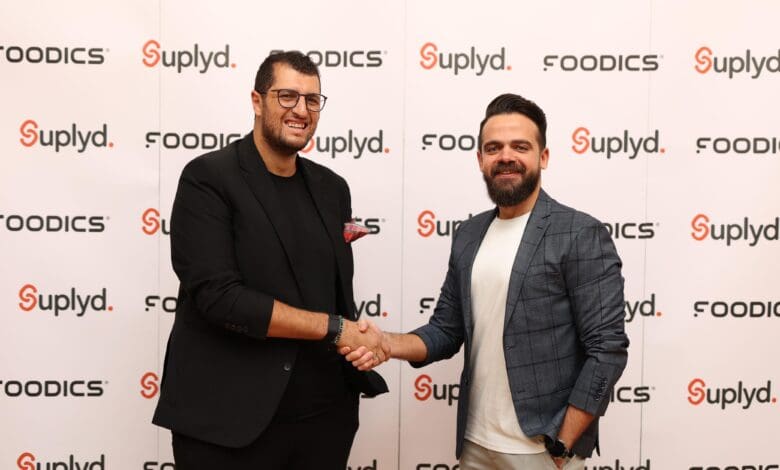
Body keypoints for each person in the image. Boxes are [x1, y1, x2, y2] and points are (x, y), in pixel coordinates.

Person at [344, 94, 629, 469]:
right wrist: (387, 343)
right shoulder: (469, 234)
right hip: (475, 444)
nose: (506, 156)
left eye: (520, 147)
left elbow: (607, 349)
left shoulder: (578, 233)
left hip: (541, 450)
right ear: (480, 159)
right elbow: (445, 331)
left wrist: (563, 444)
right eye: (494, 148)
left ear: (543, 157)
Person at [152, 51, 388, 469]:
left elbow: (334, 295)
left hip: (323, 421)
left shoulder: (332, 188)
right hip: (227, 423)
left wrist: (356, 342)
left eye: (312, 100)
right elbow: (219, 297)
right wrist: (335, 328)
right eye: (287, 96)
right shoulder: (208, 178)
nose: (302, 110)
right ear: (257, 101)